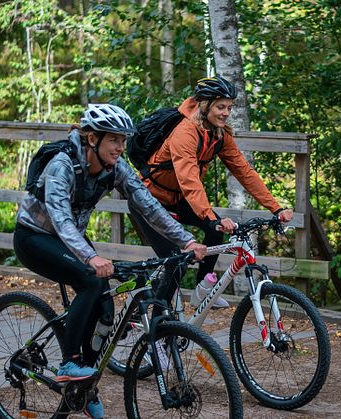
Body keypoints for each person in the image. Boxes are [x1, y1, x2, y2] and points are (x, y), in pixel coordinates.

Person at [13, 104, 206, 419]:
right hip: (35, 237)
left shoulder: (115, 167)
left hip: (70, 237)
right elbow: (60, 219)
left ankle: (84, 384)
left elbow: (148, 205)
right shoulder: (63, 166)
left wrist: (185, 239)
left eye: (123, 140)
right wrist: (91, 257)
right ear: (92, 138)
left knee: (105, 307)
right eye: (114, 140)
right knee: (91, 282)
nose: (120, 147)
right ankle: (69, 362)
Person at [130, 76, 294, 309]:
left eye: (229, 107)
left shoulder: (219, 135)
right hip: (148, 200)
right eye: (221, 107)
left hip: (177, 200)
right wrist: (209, 216)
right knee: (176, 262)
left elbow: (244, 171)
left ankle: (202, 291)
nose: (226, 112)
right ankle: (159, 324)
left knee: (214, 232)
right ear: (204, 105)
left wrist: (275, 207)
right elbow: (190, 181)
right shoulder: (184, 133)